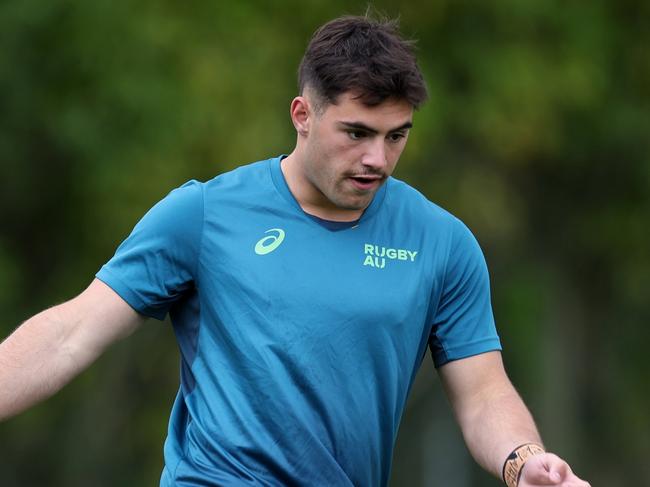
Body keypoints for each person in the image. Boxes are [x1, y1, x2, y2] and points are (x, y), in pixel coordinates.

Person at [0, 14, 589, 487]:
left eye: (396, 136)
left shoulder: (443, 243)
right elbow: (70, 333)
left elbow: (484, 392)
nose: (377, 159)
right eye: (356, 133)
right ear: (302, 115)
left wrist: (523, 461)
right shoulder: (203, 215)